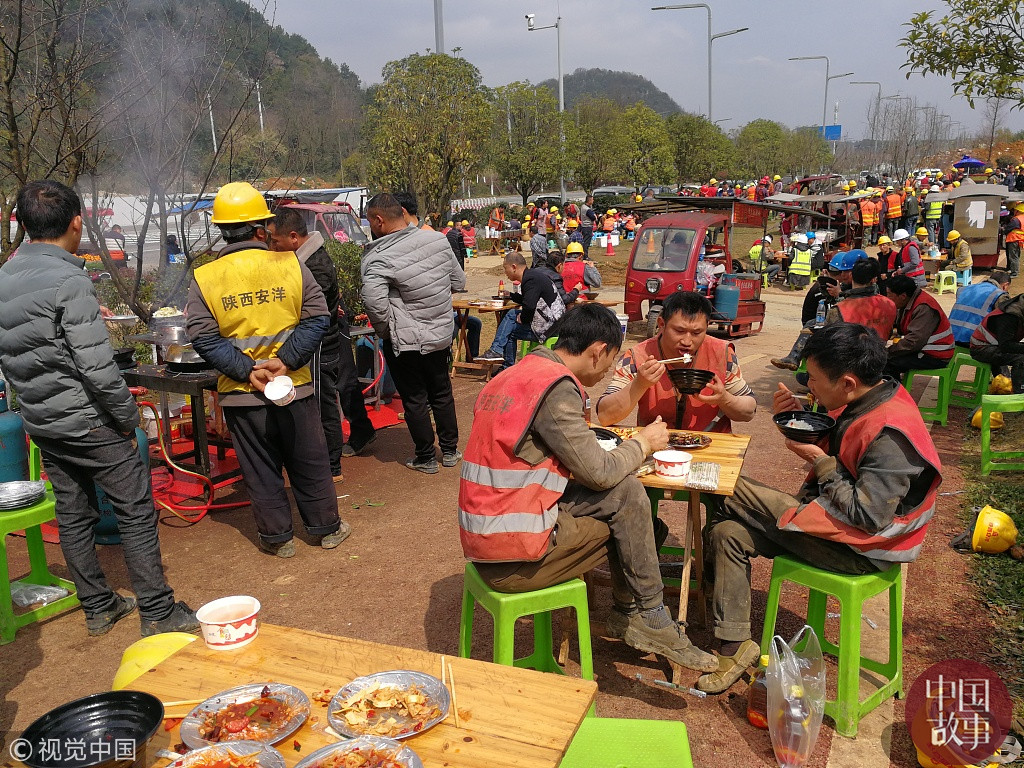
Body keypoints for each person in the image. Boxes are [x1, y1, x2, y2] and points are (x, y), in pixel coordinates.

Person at [459, 303, 718, 672]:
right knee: (627, 502)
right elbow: (598, 474)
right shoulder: (557, 387)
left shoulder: (516, 373)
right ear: (597, 351)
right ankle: (649, 617)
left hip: (486, 537)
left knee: (643, 523)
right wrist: (643, 443)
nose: (610, 369)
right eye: (611, 361)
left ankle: (629, 612)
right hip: (511, 558)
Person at [0, 180, 199, 637]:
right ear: (76, 222)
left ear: (25, 226)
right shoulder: (69, 279)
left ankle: (98, 605)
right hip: (87, 421)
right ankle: (158, 611)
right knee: (134, 508)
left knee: (72, 511)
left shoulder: (6, 275)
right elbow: (96, 366)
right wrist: (128, 421)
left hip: (41, 419)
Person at [698, 322, 941, 693]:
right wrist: (799, 421)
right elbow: (848, 449)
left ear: (846, 382)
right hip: (834, 523)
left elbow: (869, 517)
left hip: (865, 550)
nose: (806, 385)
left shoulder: (891, 433)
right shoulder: (871, 395)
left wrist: (820, 462)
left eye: (812, 379)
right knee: (725, 531)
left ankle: (691, 594)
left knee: (720, 484)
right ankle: (734, 646)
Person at [186, 182, 349, 558]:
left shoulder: (205, 277)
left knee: (259, 470)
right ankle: (325, 529)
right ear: (261, 228)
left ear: (221, 230)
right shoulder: (291, 264)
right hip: (295, 387)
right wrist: (287, 361)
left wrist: (247, 371)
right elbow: (317, 319)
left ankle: (279, 540)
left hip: (242, 395)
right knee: (309, 460)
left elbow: (203, 338)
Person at [360, 193, 465, 473]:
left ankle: (426, 457)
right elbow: (458, 280)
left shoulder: (378, 256)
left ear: (378, 220)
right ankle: (451, 450)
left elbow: (373, 303)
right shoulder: (437, 240)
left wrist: (386, 331)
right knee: (442, 392)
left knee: (415, 398)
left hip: (406, 342)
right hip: (441, 334)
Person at [268, 207, 375, 475]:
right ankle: (360, 432)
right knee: (344, 384)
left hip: (320, 342)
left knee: (323, 400)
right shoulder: (305, 257)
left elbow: (309, 311)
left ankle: (332, 464)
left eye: (275, 241)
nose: (271, 247)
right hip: (328, 334)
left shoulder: (314, 266)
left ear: (293, 237)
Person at [595, 291, 756, 431]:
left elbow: (749, 411)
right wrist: (639, 384)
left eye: (697, 332)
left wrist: (724, 398)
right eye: (679, 331)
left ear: (707, 327)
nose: (687, 341)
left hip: (713, 447)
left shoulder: (722, 353)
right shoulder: (638, 356)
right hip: (657, 448)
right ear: (661, 324)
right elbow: (605, 416)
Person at [771, 250, 865, 370]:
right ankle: (795, 358)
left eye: (845, 272)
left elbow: (851, 307)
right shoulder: (843, 286)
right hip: (839, 324)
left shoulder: (860, 290)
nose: (844, 276)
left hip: (852, 329)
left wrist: (839, 294)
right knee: (813, 324)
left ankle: (796, 358)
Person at [477, 251, 567, 368]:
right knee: (509, 327)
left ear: (514, 267)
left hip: (549, 328)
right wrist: (511, 295)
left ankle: (498, 354)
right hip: (551, 323)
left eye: (506, 268)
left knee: (511, 318)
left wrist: (523, 318)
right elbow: (528, 300)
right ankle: (502, 362)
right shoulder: (531, 276)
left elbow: (529, 307)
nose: (505, 273)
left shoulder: (530, 280)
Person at [884, 275, 955, 377]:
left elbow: (914, 341)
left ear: (903, 296)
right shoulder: (908, 301)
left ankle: (894, 392)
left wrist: (889, 351)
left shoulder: (924, 307)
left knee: (887, 363)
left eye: (889, 294)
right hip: (923, 348)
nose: (887, 298)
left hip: (936, 355)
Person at [970, 293, 1024, 394]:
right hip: (981, 348)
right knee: (1021, 359)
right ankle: (1019, 395)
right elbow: (1006, 346)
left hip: (995, 345)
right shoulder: (1011, 315)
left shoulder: (1020, 310)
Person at [949, 270, 1011, 347]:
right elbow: (1004, 321)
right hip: (974, 340)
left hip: (950, 336)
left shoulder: (964, 289)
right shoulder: (999, 294)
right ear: (1005, 285)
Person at [1003, 202, 1024, 278]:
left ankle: (1014, 273)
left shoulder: (1016, 219)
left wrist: (1004, 230)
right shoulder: (1022, 218)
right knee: (1016, 256)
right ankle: (1013, 270)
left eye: (1016, 210)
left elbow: (1008, 228)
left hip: (1013, 239)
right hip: (1019, 239)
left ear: (1019, 211)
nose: (1014, 211)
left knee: (1013, 256)